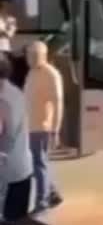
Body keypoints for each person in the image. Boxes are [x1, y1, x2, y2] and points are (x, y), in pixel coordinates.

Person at [24, 41, 64, 213]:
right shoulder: (32, 73)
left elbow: (58, 103)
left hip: (42, 127)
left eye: (35, 55)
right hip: (30, 126)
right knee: (36, 163)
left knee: (39, 164)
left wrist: (56, 130)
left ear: (44, 55)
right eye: (29, 55)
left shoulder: (51, 74)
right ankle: (52, 193)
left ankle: (42, 203)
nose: (30, 58)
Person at [0, 51, 32, 222]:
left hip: (7, 177)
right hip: (22, 172)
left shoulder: (3, 100)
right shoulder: (15, 92)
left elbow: (6, 139)